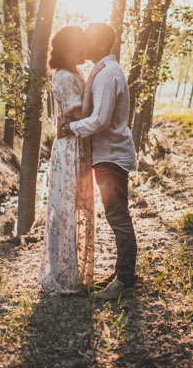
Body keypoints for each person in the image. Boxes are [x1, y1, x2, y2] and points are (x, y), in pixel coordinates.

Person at [57, 23, 138, 301]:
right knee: (117, 215)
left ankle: (126, 280)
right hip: (107, 155)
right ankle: (122, 274)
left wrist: (70, 128)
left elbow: (100, 121)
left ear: (102, 44)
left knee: (118, 217)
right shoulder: (103, 72)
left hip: (111, 156)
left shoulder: (106, 75)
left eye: (89, 41)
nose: (85, 45)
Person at [39, 26, 101, 294]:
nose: (85, 50)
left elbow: (80, 115)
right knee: (65, 210)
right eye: (80, 45)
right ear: (68, 48)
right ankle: (63, 275)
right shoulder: (64, 76)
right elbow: (79, 113)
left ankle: (74, 272)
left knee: (78, 208)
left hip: (80, 145)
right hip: (70, 150)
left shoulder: (77, 72)